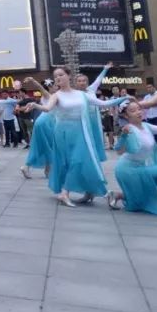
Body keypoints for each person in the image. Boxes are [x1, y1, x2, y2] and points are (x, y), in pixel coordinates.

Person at [37, 67, 125, 207]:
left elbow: (102, 104)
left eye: (61, 74)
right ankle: (84, 192)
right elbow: (47, 108)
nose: (58, 78)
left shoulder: (81, 94)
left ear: (68, 76)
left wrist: (124, 98)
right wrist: (35, 105)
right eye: (55, 76)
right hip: (63, 133)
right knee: (68, 162)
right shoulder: (56, 95)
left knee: (80, 161)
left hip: (81, 132)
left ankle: (69, 192)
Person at [106, 99, 157, 215]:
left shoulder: (146, 126)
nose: (138, 112)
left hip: (140, 167)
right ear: (126, 115)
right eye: (133, 111)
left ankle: (117, 195)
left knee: (138, 202)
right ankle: (156, 197)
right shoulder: (128, 129)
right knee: (136, 205)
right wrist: (124, 136)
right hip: (128, 170)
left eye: (139, 109)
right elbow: (118, 151)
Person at [21, 77, 54, 179]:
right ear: (50, 87)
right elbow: (41, 88)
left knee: (43, 146)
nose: (56, 87)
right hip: (46, 122)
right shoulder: (49, 95)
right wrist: (32, 80)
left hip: (42, 121)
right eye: (54, 86)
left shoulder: (50, 97)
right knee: (49, 146)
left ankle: (45, 169)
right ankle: (45, 169)